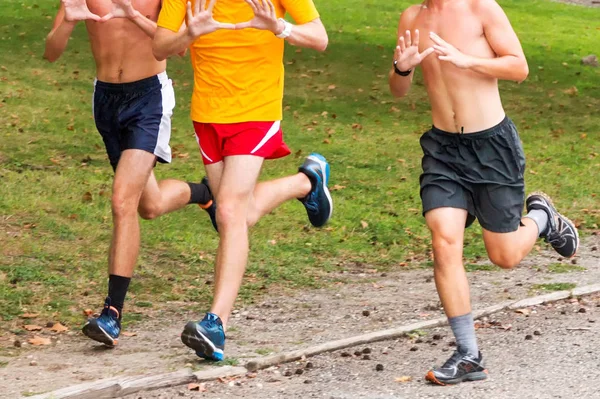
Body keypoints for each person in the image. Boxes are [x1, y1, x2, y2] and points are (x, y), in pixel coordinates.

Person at [388, 0, 579, 386]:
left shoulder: (480, 8)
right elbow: (398, 90)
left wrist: (466, 60)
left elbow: (518, 67)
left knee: (504, 255)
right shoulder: (412, 17)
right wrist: (402, 68)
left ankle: (543, 217)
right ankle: (468, 353)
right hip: (443, 149)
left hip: (492, 148)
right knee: (444, 241)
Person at [153, 0, 332, 361]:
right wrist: (190, 33)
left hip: (256, 110)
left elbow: (319, 37)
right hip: (207, 113)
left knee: (230, 212)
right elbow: (159, 45)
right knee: (237, 214)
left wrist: (279, 28)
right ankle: (306, 183)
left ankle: (215, 323)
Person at [44, 0, 216, 347]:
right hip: (106, 98)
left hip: (149, 98)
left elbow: (179, 47)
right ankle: (203, 193)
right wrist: (68, 23)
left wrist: (136, 16)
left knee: (122, 201)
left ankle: (112, 313)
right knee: (147, 205)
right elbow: (51, 51)